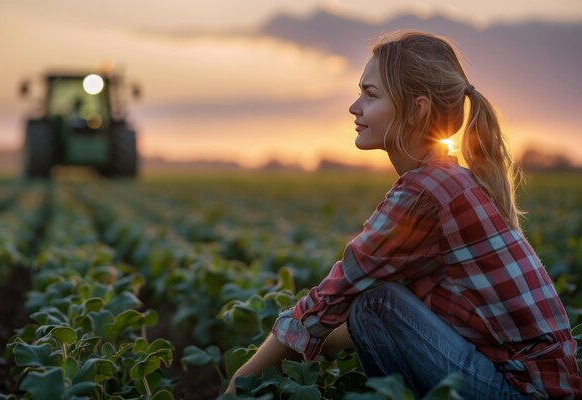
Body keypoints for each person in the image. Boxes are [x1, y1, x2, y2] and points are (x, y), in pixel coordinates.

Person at [226, 31, 582, 399]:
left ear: (417, 109)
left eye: (370, 94)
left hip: (523, 392)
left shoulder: (427, 191)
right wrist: (327, 344)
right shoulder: (448, 180)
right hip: (527, 383)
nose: (354, 106)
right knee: (375, 301)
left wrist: (236, 387)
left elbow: (327, 301)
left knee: (375, 303)